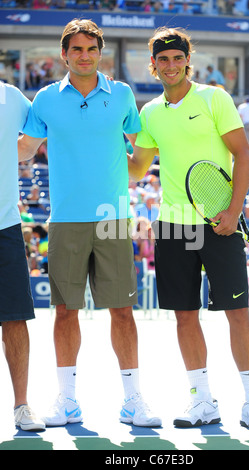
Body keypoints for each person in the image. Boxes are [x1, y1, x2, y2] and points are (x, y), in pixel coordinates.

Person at [128, 27, 249, 432]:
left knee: (237, 313)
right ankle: (203, 402)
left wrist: (233, 210)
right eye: (163, 59)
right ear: (153, 64)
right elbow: (136, 168)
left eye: (178, 58)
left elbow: (243, 155)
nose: (171, 65)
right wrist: (96, 147)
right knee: (184, 316)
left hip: (220, 223)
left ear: (187, 60)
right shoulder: (150, 112)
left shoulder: (214, 98)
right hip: (173, 228)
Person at [18, 19, 161, 428]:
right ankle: (67, 401)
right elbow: (25, 151)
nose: (84, 56)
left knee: (122, 312)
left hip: (113, 220)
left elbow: (141, 146)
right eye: (76, 50)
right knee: (64, 312)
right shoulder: (44, 99)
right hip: (64, 220)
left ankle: (134, 401)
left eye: (91, 49)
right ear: (64, 54)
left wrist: (133, 172)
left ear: (100, 53)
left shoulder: (122, 94)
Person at [0, 80, 45, 431]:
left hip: (5, 226)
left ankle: (21, 406)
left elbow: (32, 142)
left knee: (15, 320)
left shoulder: (10, 96)